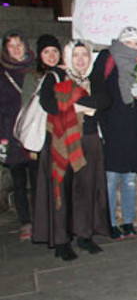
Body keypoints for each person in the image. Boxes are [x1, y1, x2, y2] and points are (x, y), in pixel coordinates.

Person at [33, 40, 110, 261]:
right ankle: (61, 240)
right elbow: (49, 104)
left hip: (89, 140)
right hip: (63, 141)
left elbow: (104, 100)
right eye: (75, 55)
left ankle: (84, 234)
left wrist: (74, 103)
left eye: (84, 55)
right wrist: (82, 106)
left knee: (86, 189)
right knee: (62, 191)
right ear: (67, 57)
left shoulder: (93, 78)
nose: (80, 60)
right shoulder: (56, 76)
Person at [93, 26, 137, 240]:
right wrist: (103, 122)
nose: (133, 47)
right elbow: (98, 88)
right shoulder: (108, 57)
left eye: (136, 43)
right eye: (129, 42)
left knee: (130, 178)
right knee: (111, 177)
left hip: (132, 124)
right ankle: (111, 222)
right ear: (121, 42)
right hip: (113, 123)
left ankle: (128, 222)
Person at [0, 31, 37, 241]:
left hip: (34, 133)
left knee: (38, 178)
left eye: (19, 44)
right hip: (12, 134)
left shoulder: (35, 70)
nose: (16, 49)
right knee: (19, 182)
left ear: (25, 45)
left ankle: (40, 218)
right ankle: (26, 222)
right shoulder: (3, 74)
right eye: (11, 46)